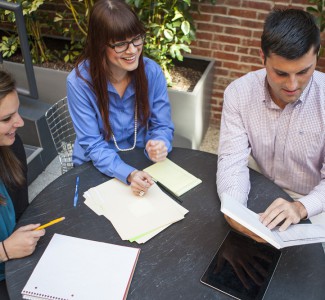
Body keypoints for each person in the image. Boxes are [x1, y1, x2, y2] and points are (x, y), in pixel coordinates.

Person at [217, 8, 325, 240]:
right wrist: (235, 212)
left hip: (314, 199)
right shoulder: (239, 93)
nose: (292, 85)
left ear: (317, 55)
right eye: (281, 73)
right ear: (262, 58)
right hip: (258, 185)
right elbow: (232, 161)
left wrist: (301, 207)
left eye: (304, 71)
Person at [67, 0, 174, 197]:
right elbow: (93, 145)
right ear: (100, 45)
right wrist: (128, 173)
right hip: (95, 165)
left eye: (136, 39)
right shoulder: (79, 82)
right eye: (121, 44)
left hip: (141, 160)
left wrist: (160, 143)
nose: (132, 50)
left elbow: (162, 126)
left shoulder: (152, 72)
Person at [0, 70, 45, 299]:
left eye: (17, 111)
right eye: (6, 119)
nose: (20, 122)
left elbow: (20, 210)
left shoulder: (11, 148)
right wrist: (4, 250)